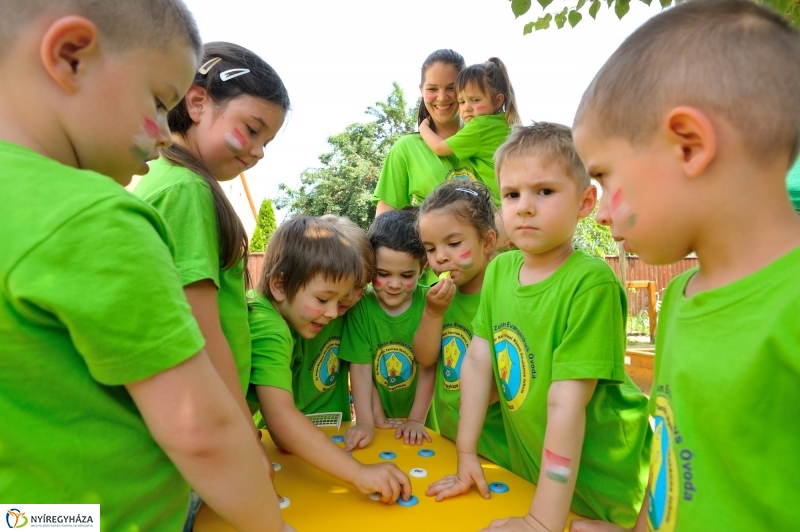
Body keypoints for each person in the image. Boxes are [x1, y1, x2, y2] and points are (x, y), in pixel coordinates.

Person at [0, 2, 289, 531]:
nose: (162, 132)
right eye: (159, 102)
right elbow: (198, 427)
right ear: (70, 57)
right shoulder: (97, 216)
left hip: (30, 514)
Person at [569, 1, 800, 531]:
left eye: (604, 178)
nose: (600, 213)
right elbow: (675, 463)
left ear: (689, 146)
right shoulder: (678, 299)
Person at [427, 124, 651, 532]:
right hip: (542, 476)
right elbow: (478, 362)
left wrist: (539, 523)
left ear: (585, 202)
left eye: (544, 191)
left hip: (602, 474)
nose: (524, 207)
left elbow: (566, 403)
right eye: (512, 194)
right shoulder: (499, 272)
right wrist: (465, 456)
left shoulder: (590, 283)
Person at [135, 41, 289, 429]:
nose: (259, 153)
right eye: (252, 130)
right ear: (198, 102)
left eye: (266, 142)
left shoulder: (161, 174)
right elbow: (204, 330)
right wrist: (239, 431)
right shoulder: (187, 189)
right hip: (205, 421)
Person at [248, 217, 412, 504]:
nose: (336, 312)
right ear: (279, 284)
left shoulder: (276, 315)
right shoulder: (271, 327)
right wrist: (359, 474)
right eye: (324, 299)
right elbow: (281, 421)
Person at [413, 180, 510, 469]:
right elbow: (426, 358)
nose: (440, 257)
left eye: (454, 244)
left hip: (499, 448)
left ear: (487, 242)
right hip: (450, 440)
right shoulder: (435, 295)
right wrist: (433, 313)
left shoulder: (503, 294)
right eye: (430, 249)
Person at [340, 210, 436, 450]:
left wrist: (415, 420)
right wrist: (366, 422)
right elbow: (360, 369)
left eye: (406, 275)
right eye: (383, 274)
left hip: (423, 424)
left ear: (422, 269)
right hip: (376, 423)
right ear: (371, 268)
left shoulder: (431, 303)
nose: (394, 284)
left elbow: (429, 367)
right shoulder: (361, 307)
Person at [288, 214, 375, 420]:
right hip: (284, 429)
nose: (351, 297)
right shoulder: (294, 317)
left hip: (338, 426)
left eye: (360, 287)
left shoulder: (357, 313)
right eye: (346, 286)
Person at [372, 49, 476, 216]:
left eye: (451, 88)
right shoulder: (405, 149)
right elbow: (384, 224)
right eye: (432, 89)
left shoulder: (486, 138)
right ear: (421, 90)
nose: (442, 97)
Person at [419, 57, 520, 202]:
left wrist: (423, 126)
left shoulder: (479, 127)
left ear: (498, 101)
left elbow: (439, 148)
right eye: (462, 101)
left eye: (475, 100)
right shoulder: (504, 122)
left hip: (499, 204)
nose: (467, 108)